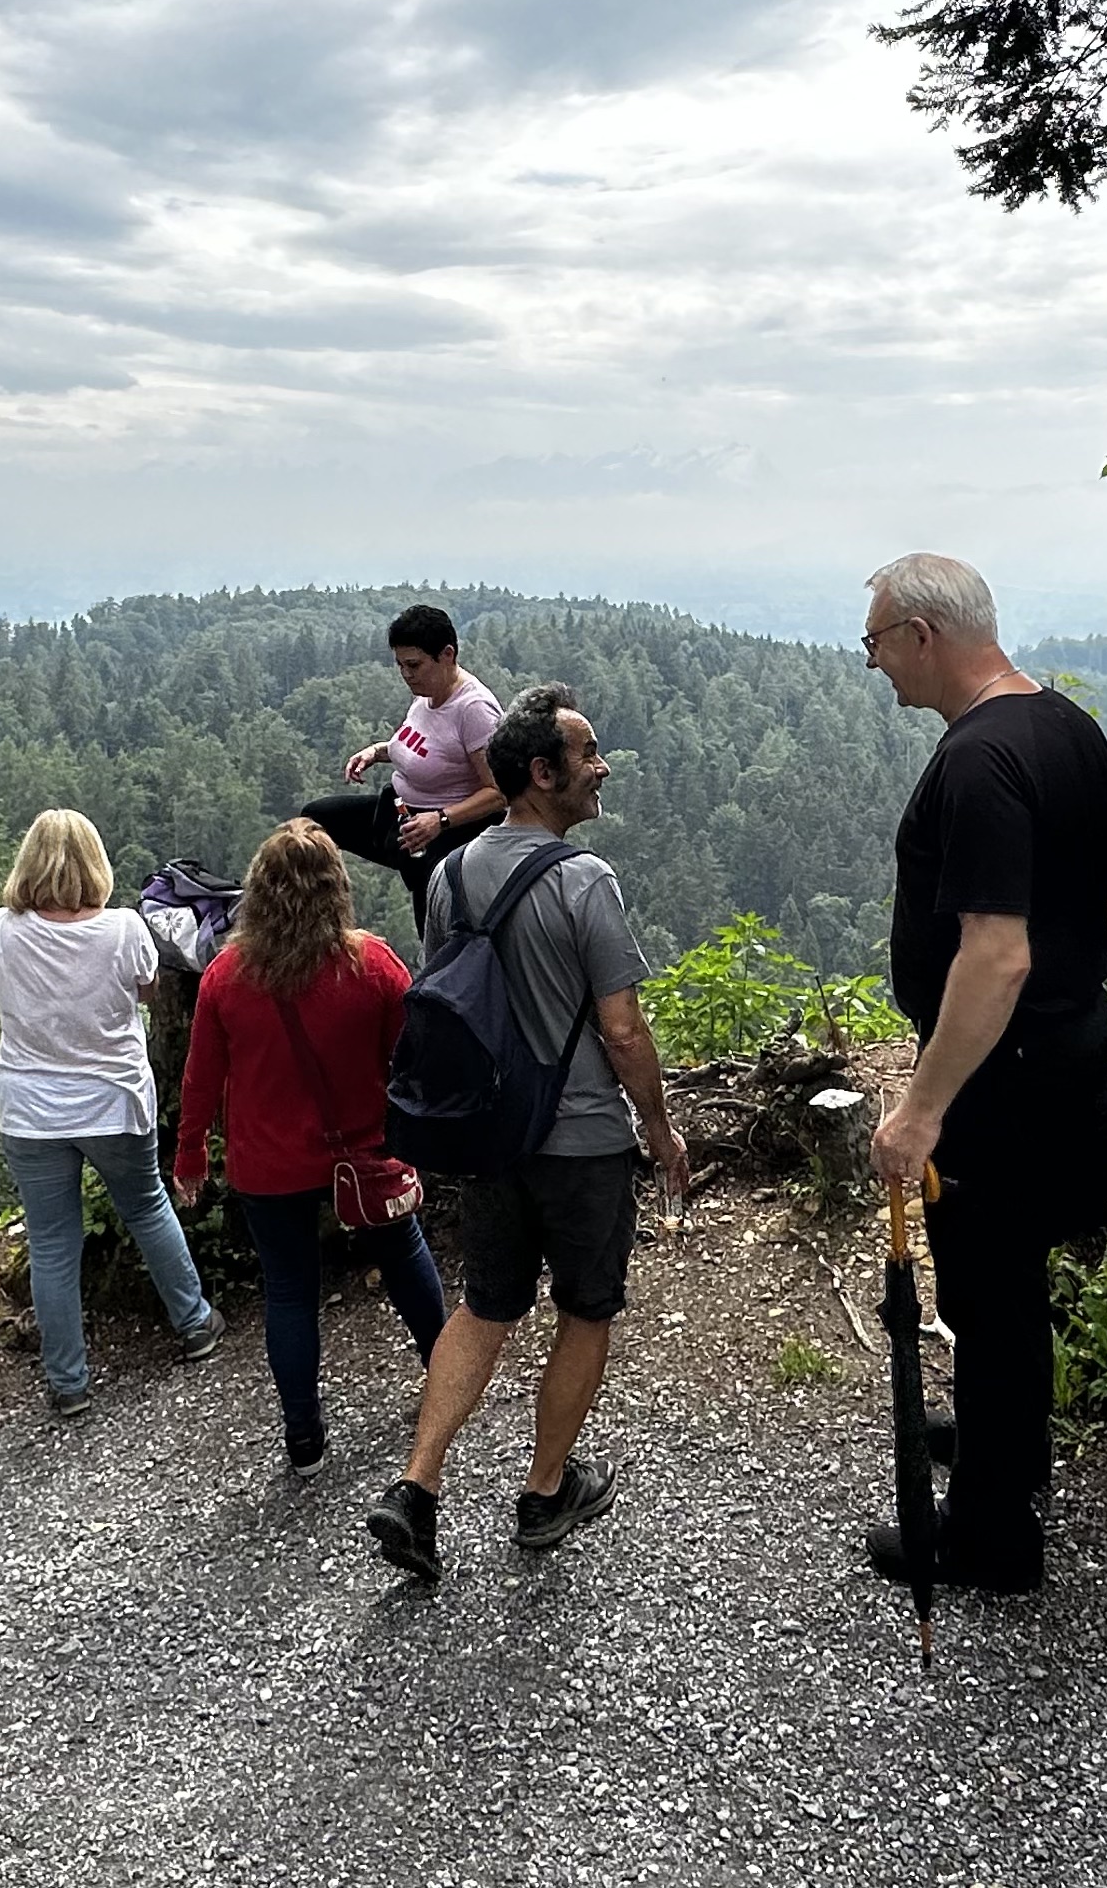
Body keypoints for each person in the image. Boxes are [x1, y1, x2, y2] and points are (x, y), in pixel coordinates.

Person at [363, 684, 689, 1579]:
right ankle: (546, 1491)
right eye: (587, 756)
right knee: (586, 1309)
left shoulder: (452, 874)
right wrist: (659, 1129)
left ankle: (417, 1488)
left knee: (484, 1303)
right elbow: (622, 1030)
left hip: (491, 1135)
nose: (602, 767)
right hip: (581, 1139)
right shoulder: (585, 880)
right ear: (542, 775)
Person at [857, 553, 1107, 1595]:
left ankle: (990, 1541)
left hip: (1000, 1075)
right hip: (1064, 1043)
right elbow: (1105, 885)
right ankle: (999, 1444)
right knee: (1012, 1283)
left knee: (989, 1288)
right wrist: (1072, 997)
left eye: (878, 642)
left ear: (924, 634)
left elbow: (995, 950)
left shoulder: (975, 761)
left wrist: (922, 1108)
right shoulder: (1066, 726)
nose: (876, 665)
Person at [171, 818, 452, 1472]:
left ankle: (304, 1439)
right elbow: (408, 1062)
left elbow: (201, 1079)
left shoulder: (225, 977)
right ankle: (446, 1380)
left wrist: (189, 1158)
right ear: (336, 888)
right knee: (406, 1258)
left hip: (268, 1163)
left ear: (258, 892)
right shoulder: (373, 964)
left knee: (290, 1290)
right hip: (365, 1151)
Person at [0, 808, 224, 1416]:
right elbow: (145, 988)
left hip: (31, 1109)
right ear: (96, 864)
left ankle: (68, 1382)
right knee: (146, 1208)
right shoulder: (124, 929)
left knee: (53, 1243)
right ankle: (193, 1324)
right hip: (114, 1099)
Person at [300, 603, 508, 925]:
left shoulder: (474, 710)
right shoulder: (428, 691)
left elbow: (499, 793)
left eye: (414, 665)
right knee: (313, 823)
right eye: (400, 665)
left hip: (442, 834)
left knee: (434, 923)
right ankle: (313, 927)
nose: (406, 674)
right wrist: (378, 751)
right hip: (396, 812)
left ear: (447, 655)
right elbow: (423, 748)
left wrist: (439, 820)